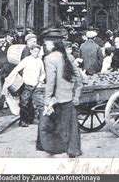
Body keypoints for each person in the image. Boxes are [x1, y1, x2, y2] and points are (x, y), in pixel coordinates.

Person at [37, 28, 83, 158]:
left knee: (48, 125)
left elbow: (51, 82)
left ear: (52, 43)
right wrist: (76, 94)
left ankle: (55, 150)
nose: (45, 45)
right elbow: (78, 77)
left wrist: (47, 100)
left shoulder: (50, 58)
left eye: (46, 43)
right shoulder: (68, 56)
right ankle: (72, 151)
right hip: (68, 97)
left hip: (56, 99)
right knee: (70, 127)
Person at [7, 44, 45, 127]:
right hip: (26, 85)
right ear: (31, 51)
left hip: (36, 85)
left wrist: (41, 80)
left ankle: (32, 119)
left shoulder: (39, 61)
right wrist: (9, 78)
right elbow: (17, 69)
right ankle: (23, 120)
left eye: (38, 52)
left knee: (35, 103)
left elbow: (43, 73)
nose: (36, 53)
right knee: (24, 103)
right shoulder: (26, 60)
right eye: (34, 51)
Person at [0, 29, 15, 111]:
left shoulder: (10, 46)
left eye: (3, 37)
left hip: (8, 70)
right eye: (0, 38)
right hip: (0, 69)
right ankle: (0, 104)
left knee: (7, 86)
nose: (2, 40)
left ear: (6, 37)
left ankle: (8, 103)